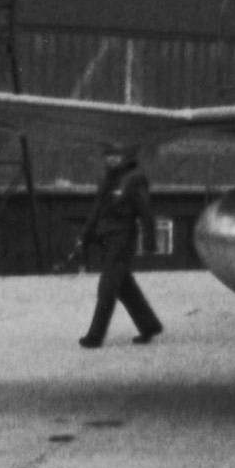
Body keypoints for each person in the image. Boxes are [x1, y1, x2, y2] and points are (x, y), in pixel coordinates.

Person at [75, 149, 163, 349]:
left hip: (122, 240)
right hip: (105, 239)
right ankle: (149, 326)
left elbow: (146, 212)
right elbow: (97, 211)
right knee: (124, 286)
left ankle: (94, 337)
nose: (111, 159)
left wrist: (150, 242)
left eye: (116, 155)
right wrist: (85, 236)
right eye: (108, 155)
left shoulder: (135, 179)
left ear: (127, 157)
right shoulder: (108, 179)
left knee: (107, 288)